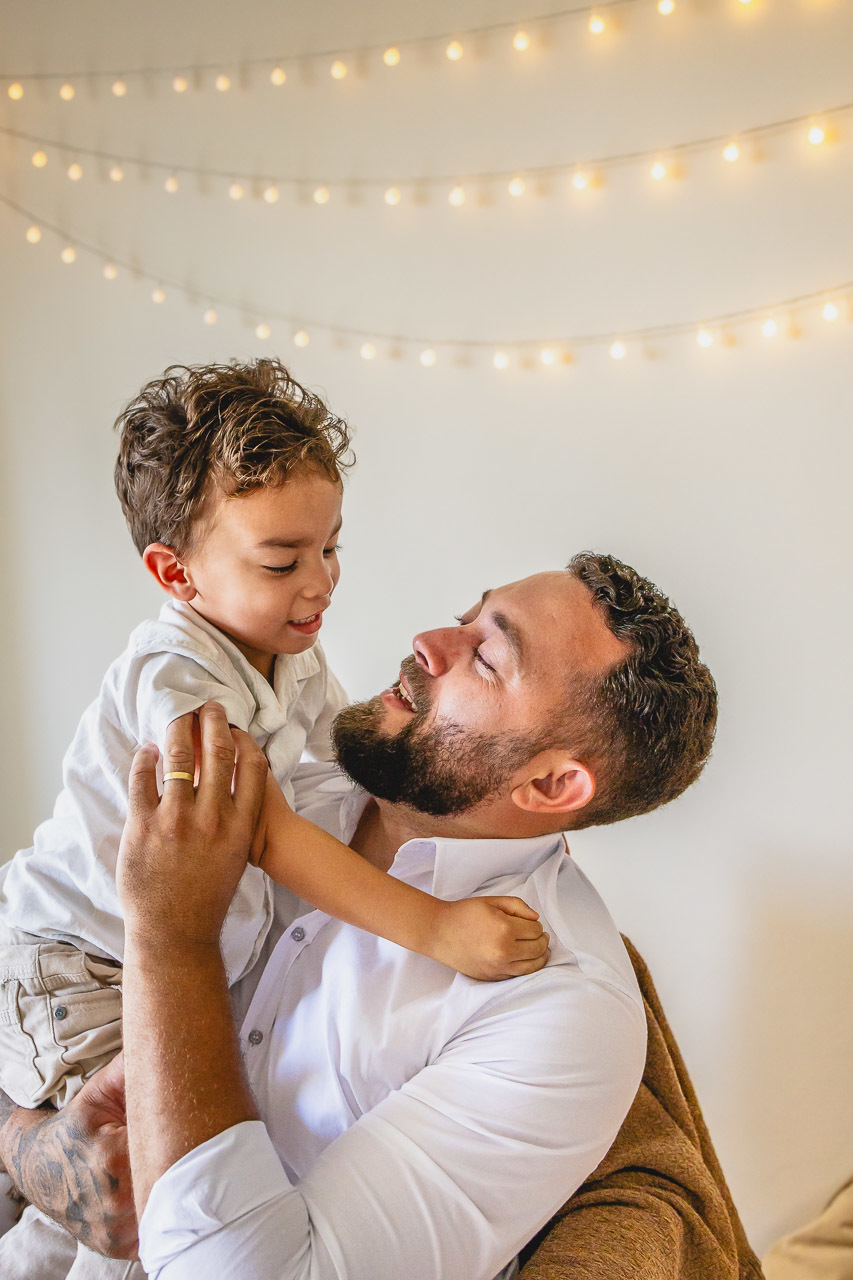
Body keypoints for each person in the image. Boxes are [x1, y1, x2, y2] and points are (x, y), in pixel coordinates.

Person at [0, 552, 717, 1280]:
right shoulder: (281, 791)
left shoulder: (558, 1013)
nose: (430, 642)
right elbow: (37, 974)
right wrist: (28, 1148)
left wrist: (172, 937)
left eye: (487, 657)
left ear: (553, 782)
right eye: (466, 615)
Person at [0, 361, 547, 1274]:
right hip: (78, 961)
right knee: (128, 1195)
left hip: (158, 952)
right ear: (176, 573)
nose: (319, 582)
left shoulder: (288, 654)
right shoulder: (176, 674)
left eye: (331, 546)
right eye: (281, 561)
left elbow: (343, 758)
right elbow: (254, 828)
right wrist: (436, 928)